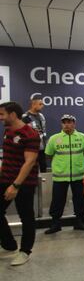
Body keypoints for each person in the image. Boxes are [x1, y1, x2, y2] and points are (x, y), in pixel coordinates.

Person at [0, 102, 40, 266]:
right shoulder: (8, 131)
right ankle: (9, 244)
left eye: (2, 114)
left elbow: (29, 162)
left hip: (23, 183)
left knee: (26, 216)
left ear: (13, 114)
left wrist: (15, 185)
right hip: (5, 179)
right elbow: (8, 157)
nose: (0, 118)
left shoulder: (30, 134)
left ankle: (25, 251)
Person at [44, 115, 84, 233]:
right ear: (61, 124)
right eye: (64, 122)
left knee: (79, 199)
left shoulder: (82, 137)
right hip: (60, 176)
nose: (67, 125)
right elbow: (48, 154)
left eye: (69, 122)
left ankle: (79, 222)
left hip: (78, 175)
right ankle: (55, 223)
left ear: (74, 124)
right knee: (57, 200)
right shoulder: (54, 138)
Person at [21, 96, 47, 172]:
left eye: (42, 104)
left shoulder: (41, 116)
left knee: (43, 167)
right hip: (31, 148)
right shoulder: (25, 117)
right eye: (40, 104)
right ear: (33, 105)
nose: (42, 106)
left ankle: (43, 184)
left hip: (42, 148)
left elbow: (43, 131)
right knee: (31, 168)